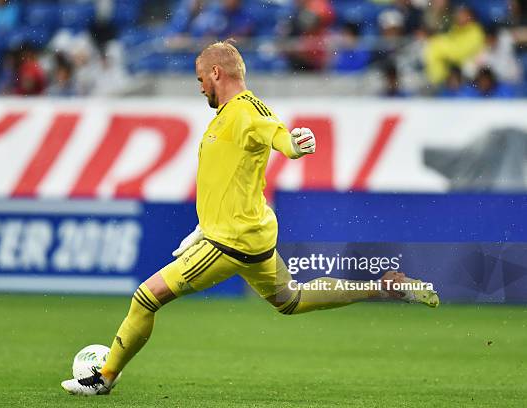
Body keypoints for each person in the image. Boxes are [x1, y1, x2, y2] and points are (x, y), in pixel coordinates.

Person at [60, 40, 439, 396]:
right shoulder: (227, 116)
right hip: (242, 232)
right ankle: (382, 286)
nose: (199, 88)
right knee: (290, 298)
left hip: (232, 241)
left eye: (199, 79)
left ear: (215, 74)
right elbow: (227, 178)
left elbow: (278, 135)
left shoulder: (247, 110)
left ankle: (105, 377)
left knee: (146, 298)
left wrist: (295, 144)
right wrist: (202, 227)